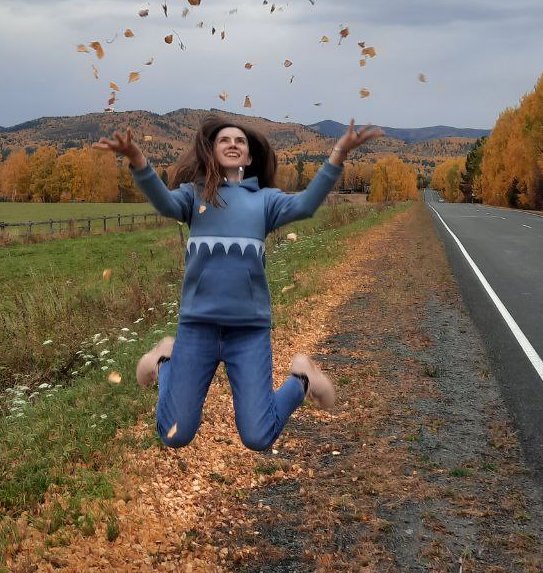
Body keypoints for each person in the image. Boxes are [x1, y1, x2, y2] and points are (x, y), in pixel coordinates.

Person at [93, 116, 378, 451]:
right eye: (224, 140)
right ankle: (164, 359)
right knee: (174, 433)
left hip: (248, 332)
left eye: (240, 141)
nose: (232, 144)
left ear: (249, 156)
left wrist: (338, 153)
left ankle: (302, 379)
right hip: (197, 328)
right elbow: (164, 203)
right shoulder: (193, 196)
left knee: (258, 436)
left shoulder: (266, 201)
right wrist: (137, 158)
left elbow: (305, 204)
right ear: (211, 152)